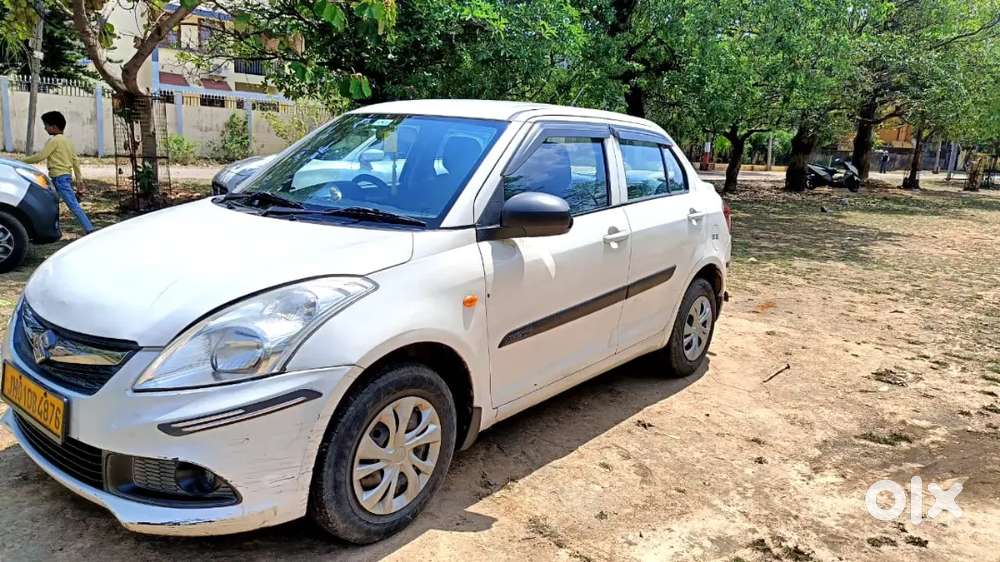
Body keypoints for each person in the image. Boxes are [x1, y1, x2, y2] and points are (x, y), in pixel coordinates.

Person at [21, 111, 94, 234]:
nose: (45, 128)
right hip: (63, 178)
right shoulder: (67, 141)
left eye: (46, 125)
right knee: (51, 204)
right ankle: (53, 229)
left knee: (73, 205)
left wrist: (20, 161)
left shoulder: (54, 141)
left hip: (59, 179)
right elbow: (75, 161)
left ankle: (90, 230)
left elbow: (40, 156)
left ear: (54, 127)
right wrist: (79, 181)